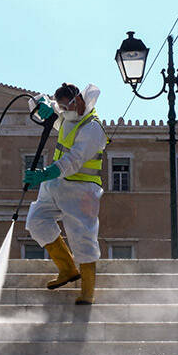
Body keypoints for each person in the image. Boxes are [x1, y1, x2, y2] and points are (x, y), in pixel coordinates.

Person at [23, 83, 108, 305]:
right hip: (55, 184)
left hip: (81, 190)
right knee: (37, 221)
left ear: (78, 100)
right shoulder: (66, 115)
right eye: (60, 107)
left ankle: (88, 290)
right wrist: (41, 106)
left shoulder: (93, 128)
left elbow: (74, 161)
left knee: (82, 237)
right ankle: (67, 269)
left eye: (65, 106)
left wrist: (45, 173)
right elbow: (37, 100)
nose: (62, 110)